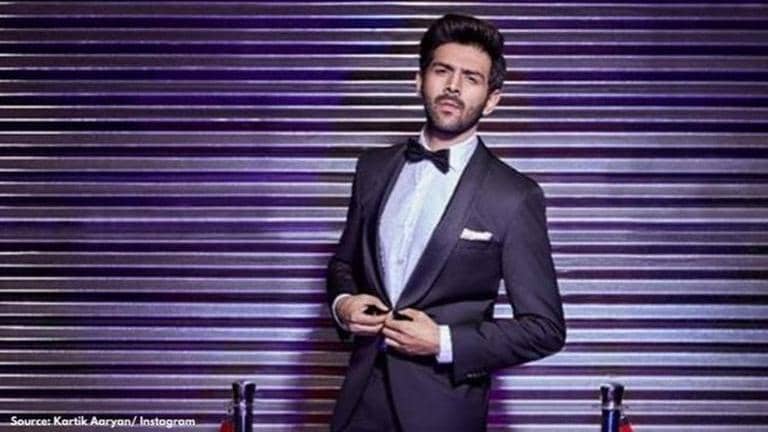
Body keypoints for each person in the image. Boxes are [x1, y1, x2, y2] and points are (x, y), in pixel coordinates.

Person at [326, 13, 566, 432]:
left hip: (443, 412)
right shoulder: (372, 168)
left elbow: (544, 329)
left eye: (471, 78)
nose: (454, 86)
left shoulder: (514, 196)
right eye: (442, 71)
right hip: (359, 405)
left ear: (491, 100)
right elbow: (343, 264)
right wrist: (343, 304)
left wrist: (444, 342)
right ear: (419, 80)